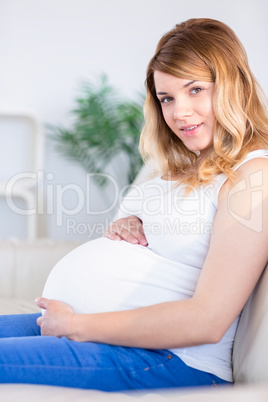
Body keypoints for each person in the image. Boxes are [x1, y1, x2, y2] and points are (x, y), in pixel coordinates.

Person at [0, 18, 268, 391]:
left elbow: (208, 319)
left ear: (232, 86)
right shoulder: (180, 166)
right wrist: (126, 221)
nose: (179, 113)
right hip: (101, 331)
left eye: (195, 90)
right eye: (167, 98)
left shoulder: (253, 175)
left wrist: (77, 326)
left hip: (170, 360)